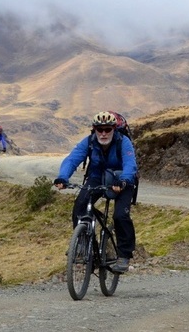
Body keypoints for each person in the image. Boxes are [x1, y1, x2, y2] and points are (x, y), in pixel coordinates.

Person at [53, 111, 138, 273]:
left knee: (120, 215)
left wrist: (124, 180)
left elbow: (130, 164)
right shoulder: (89, 142)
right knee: (80, 206)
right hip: (97, 177)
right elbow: (72, 159)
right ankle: (84, 245)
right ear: (94, 129)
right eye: (100, 129)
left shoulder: (123, 142)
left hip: (122, 179)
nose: (104, 133)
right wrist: (62, 177)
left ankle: (124, 256)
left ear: (114, 129)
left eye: (107, 129)